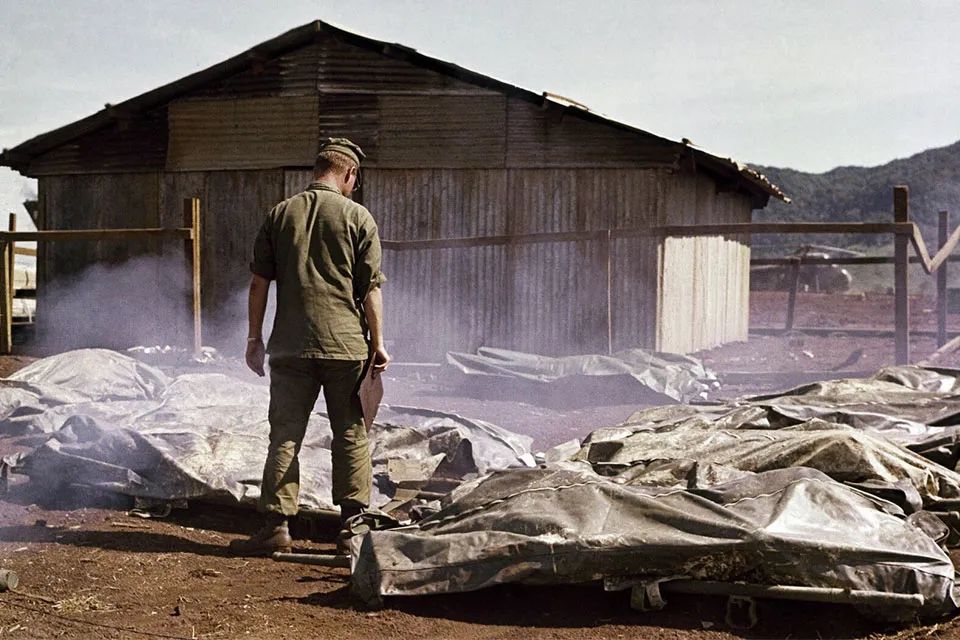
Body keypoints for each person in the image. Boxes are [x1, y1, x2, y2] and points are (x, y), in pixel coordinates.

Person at [230, 137, 390, 557]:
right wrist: (379, 343)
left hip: (289, 348)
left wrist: (253, 338)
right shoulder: (359, 217)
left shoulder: (280, 214)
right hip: (346, 347)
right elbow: (370, 288)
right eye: (356, 179)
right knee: (351, 435)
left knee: (285, 436)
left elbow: (258, 283)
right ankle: (351, 531)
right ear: (349, 174)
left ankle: (276, 526)